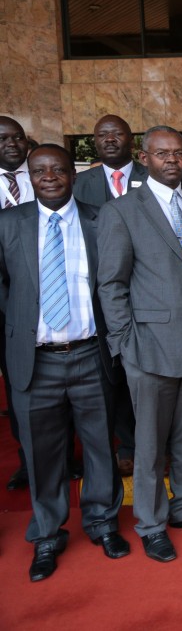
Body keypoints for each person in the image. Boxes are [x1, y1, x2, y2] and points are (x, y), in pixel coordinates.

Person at [98, 125, 182, 563]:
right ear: (145, 157)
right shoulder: (121, 211)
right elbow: (111, 284)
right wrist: (124, 344)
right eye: (162, 154)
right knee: (151, 444)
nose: (172, 160)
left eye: (179, 154)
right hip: (149, 345)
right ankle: (151, 524)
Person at [0, 144, 129, 581]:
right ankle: (48, 535)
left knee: (99, 447)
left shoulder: (101, 218)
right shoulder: (8, 223)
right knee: (43, 454)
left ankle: (102, 523)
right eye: (40, 171)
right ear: (30, 177)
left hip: (92, 354)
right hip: (36, 361)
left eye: (58, 169)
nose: (50, 176)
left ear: (73, 175)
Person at [72, 114, 147, 477]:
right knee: (112, 370)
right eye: (102, 135)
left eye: (117, 133)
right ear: (95, 142)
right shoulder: (79, 183)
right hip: (98, 294)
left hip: (147, 291)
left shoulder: (151, 177)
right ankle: (128, 445)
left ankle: (155, 445)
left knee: (149, 371)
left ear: (131, 140)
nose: (110, 140)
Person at [0, 116, 33, 492]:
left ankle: (69, 455)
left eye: (17, 137)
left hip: (57, 300)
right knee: (18, 384)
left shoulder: (48, 175)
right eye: (3, 139)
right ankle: (28, 460)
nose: (11, 144)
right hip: (6, 308)